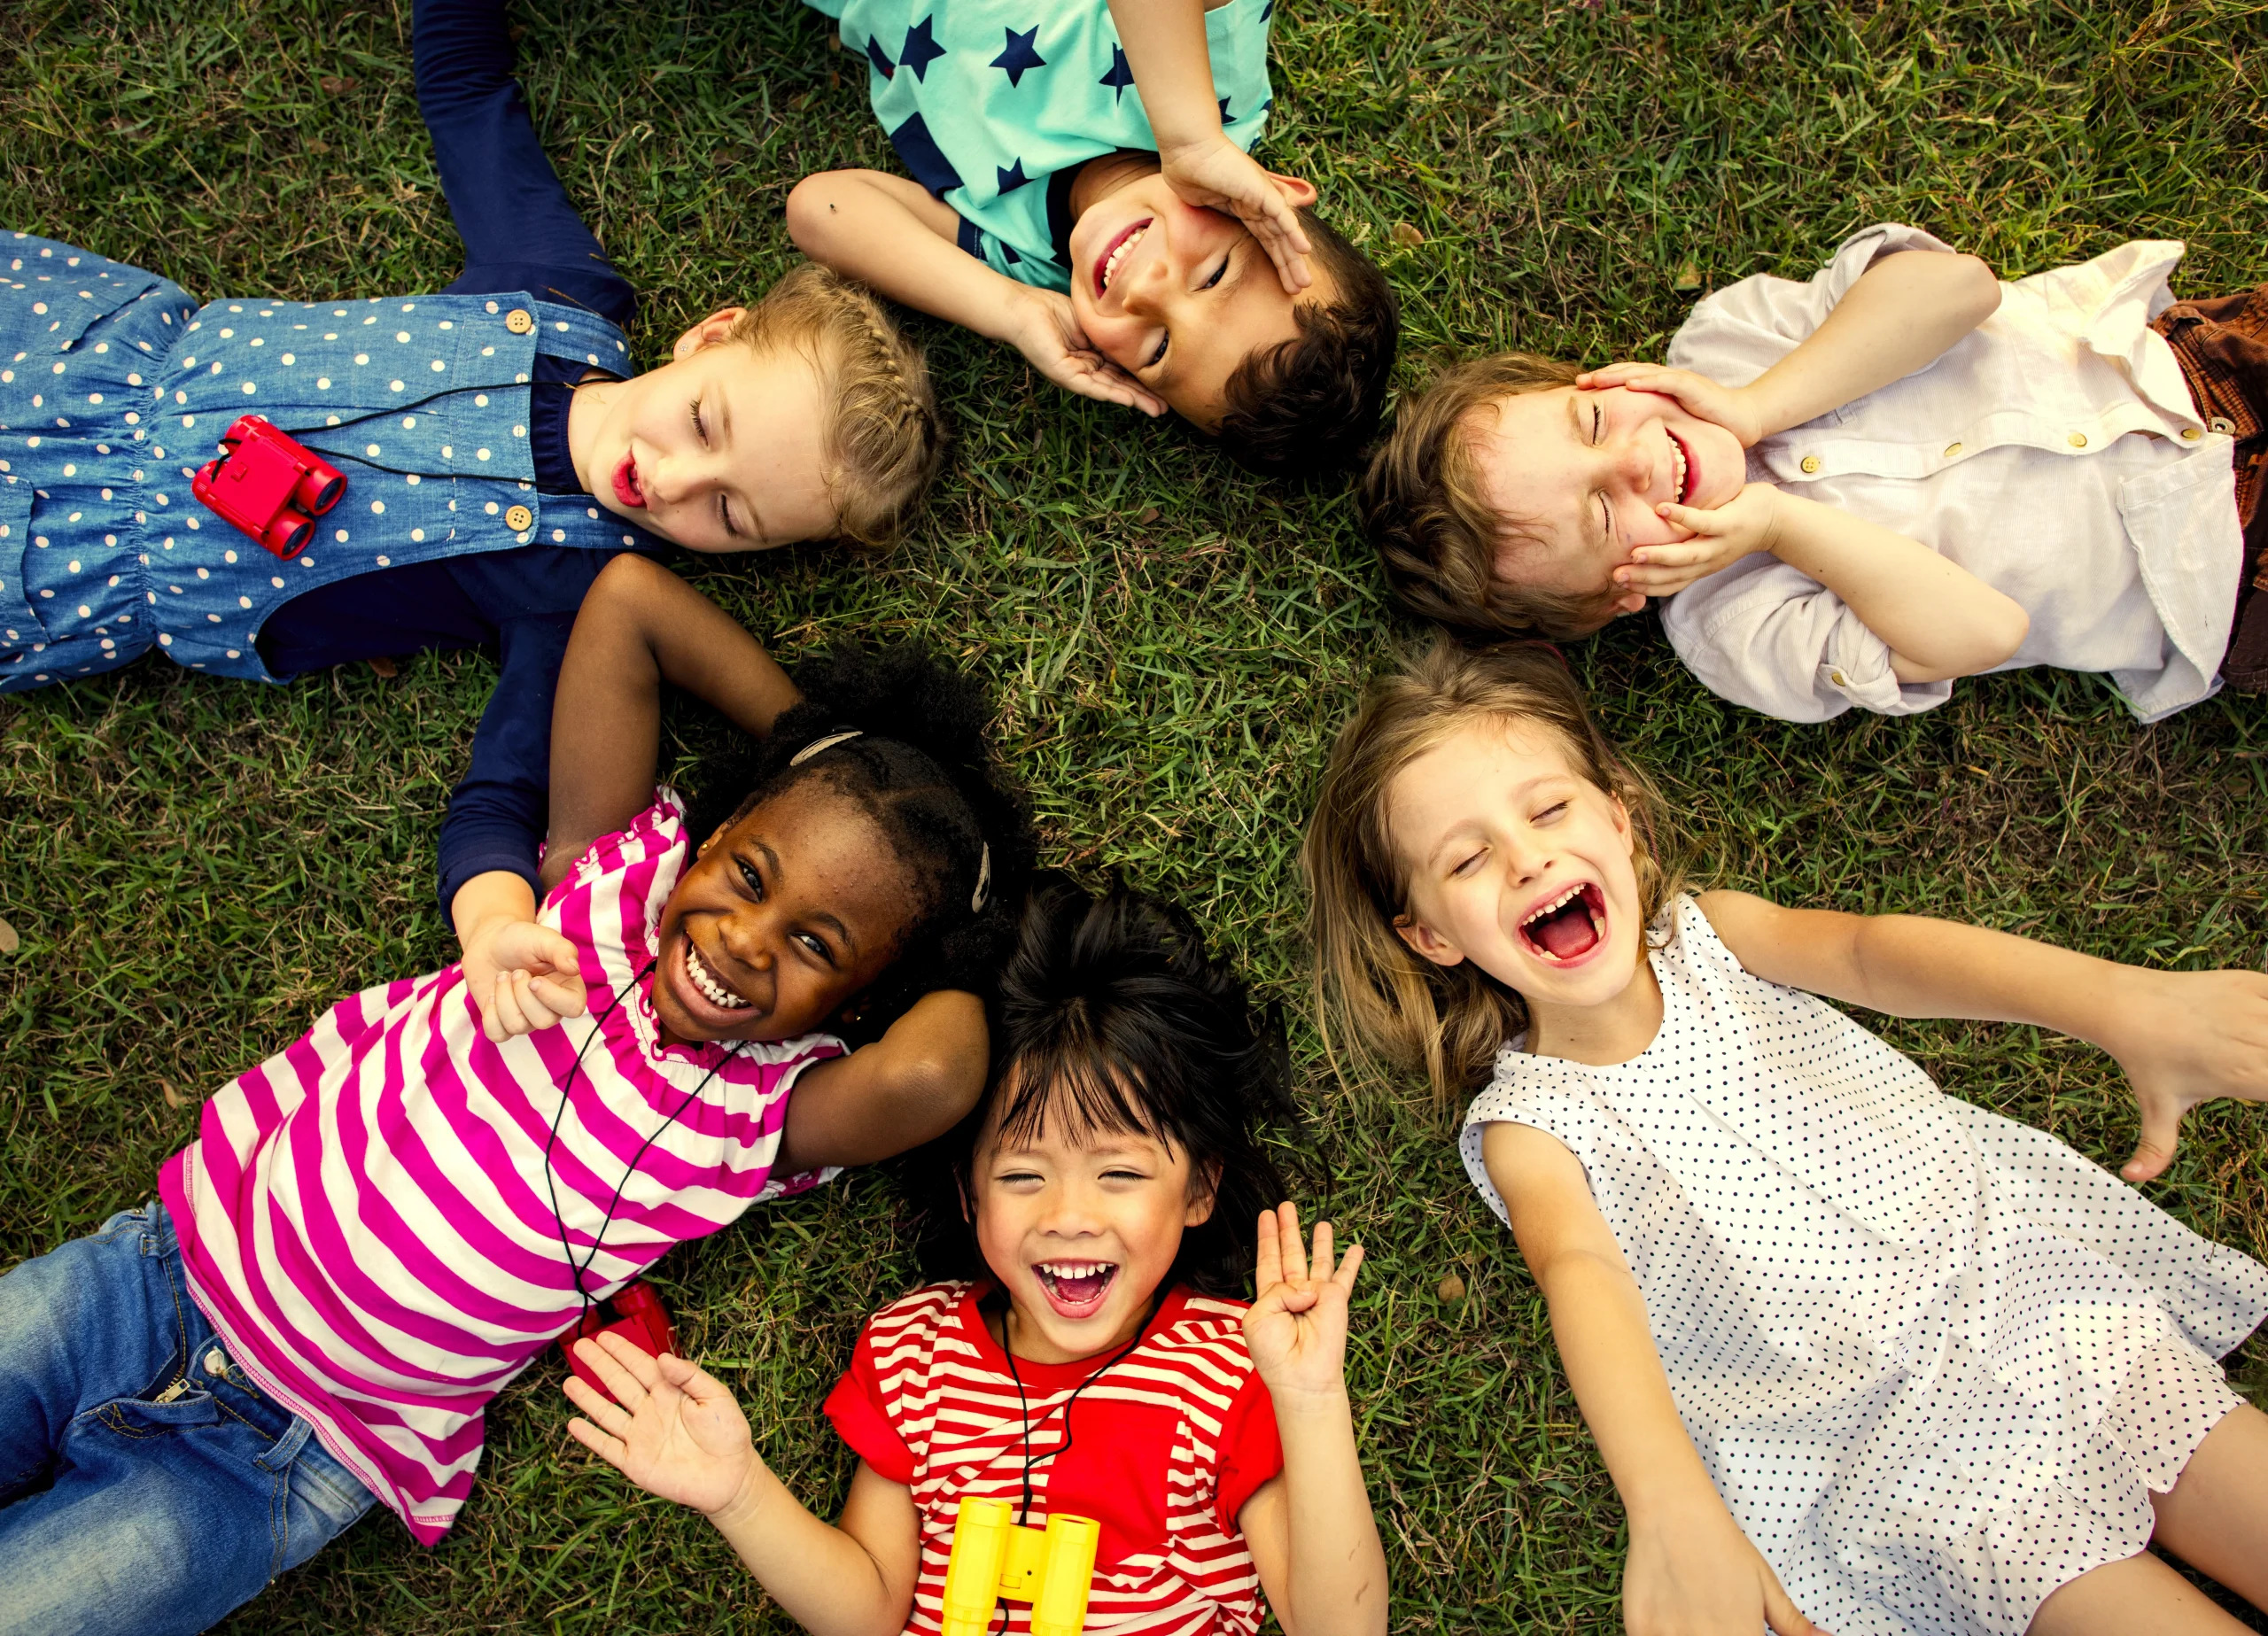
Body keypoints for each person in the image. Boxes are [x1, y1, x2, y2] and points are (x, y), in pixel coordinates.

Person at [0, 556, 1035, 1636]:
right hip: (145, 1280)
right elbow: (629, 603)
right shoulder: (598, 887)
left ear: (861, 1002)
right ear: (714, 837)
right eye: (750, 874)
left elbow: (938, 1069)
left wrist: (974, 920)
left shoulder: (766, 1116)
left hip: (285, 1453)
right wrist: (831, 759)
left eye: (817, 944)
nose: (742, 938)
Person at [1302, 639, 2268, 1636]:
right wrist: (1668, 1502)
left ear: (1621, 820)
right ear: (1429, 935)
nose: (1526, 855)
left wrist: (2122, 1003)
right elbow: (1580, 1272)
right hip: (1908, 1458)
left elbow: (1873, 950)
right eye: (1466, 858)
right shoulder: (1530, 1127)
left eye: (1548, 808)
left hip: (2031, 1296)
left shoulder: (1714, 937)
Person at [0, 0, 944, 951]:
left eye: (730, 512)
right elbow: (467, 96)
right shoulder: (555, 290)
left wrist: (493, 919)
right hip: (77, 355)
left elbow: (501, 791)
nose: (671, 479)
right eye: (704, 419)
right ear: (711, 335)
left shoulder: (570, 598)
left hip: (72, 555)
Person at [563, 879, 1390, 1636]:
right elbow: (869, 1610)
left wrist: (1310, 1398)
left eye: (1122, 1172)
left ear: (1201, 1190)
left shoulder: (1233, 1368)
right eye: (1025, 1174)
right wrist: (740, 1491)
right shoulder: (914, 1353)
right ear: (969, 1194)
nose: (1070, 1216)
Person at [1360, 224, 2268, 724]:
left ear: (1597, 376)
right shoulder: (1735, 627)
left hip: (2191, 365)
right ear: (1616, 596)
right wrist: (1779, 526)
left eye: (1592, 421)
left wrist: (1761, 406)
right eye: (1603, 513)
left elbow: (1960, 290)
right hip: (2218, 578)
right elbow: (1986, 629)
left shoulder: (1729, 340)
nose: (1634, 457)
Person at [785, 0, 1398, 481]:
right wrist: (1188, 137)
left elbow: (821, 210)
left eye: (1158, 348)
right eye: (1212, 275)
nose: (1147, 292)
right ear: (1270, 195)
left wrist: (1011, 310)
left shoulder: (1023, 258)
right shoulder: (1216, 95)